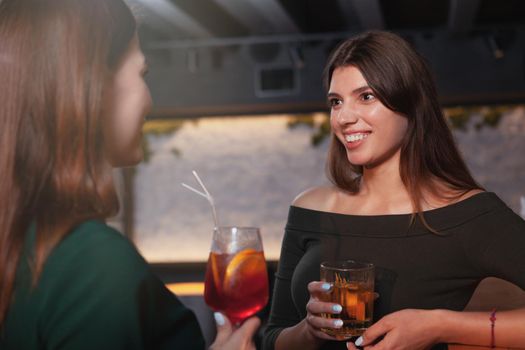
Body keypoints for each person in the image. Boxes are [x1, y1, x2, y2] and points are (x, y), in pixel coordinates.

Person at [0, 0, 259, 349]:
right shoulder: (92, 263)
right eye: (141, 74)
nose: (149, 99)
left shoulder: (21, 240)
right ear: (92, 84)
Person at [263, 31, 525, 350]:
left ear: (411, 104)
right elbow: (273, 337)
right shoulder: (310, 207)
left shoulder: (469, 214)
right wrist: (309, 331)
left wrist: (441, 326)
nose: (344, 117)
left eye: (366, 96)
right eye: (336, 102)